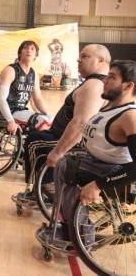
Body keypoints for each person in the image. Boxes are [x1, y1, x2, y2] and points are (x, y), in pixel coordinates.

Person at [50, 59, 136, 244]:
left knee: (66, 167)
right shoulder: (112, 107)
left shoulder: (130, 116)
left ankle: (80, 236)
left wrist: (98, 185)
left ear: (128, 86)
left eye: (111, 77)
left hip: (115, 173)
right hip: (98, 163)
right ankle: (69, 225)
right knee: (66, 161)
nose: (104, 81)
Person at [18, 44, 111, 203]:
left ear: (100, 60)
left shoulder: (94, 85)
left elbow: (81, 124)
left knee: (34, 141)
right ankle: (43, 186)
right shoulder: (96, 82)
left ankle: (45, 189)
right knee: (37, 134)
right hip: (64, 135)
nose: (78, 60)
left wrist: (58, 152)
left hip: (76, 143)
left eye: (85, 56)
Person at [0, 40, 52, 135]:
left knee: (50, 120)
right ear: (20, 53)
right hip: (8, 111)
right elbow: (1, 99)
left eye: (32, 49)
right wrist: (10, 121)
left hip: (21, 111)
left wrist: (48, 115)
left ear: (36, 55)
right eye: (25, 48)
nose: (29, 50)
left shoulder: (34, 74)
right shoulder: (10, 70)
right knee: (41, 121)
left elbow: (38, 99)